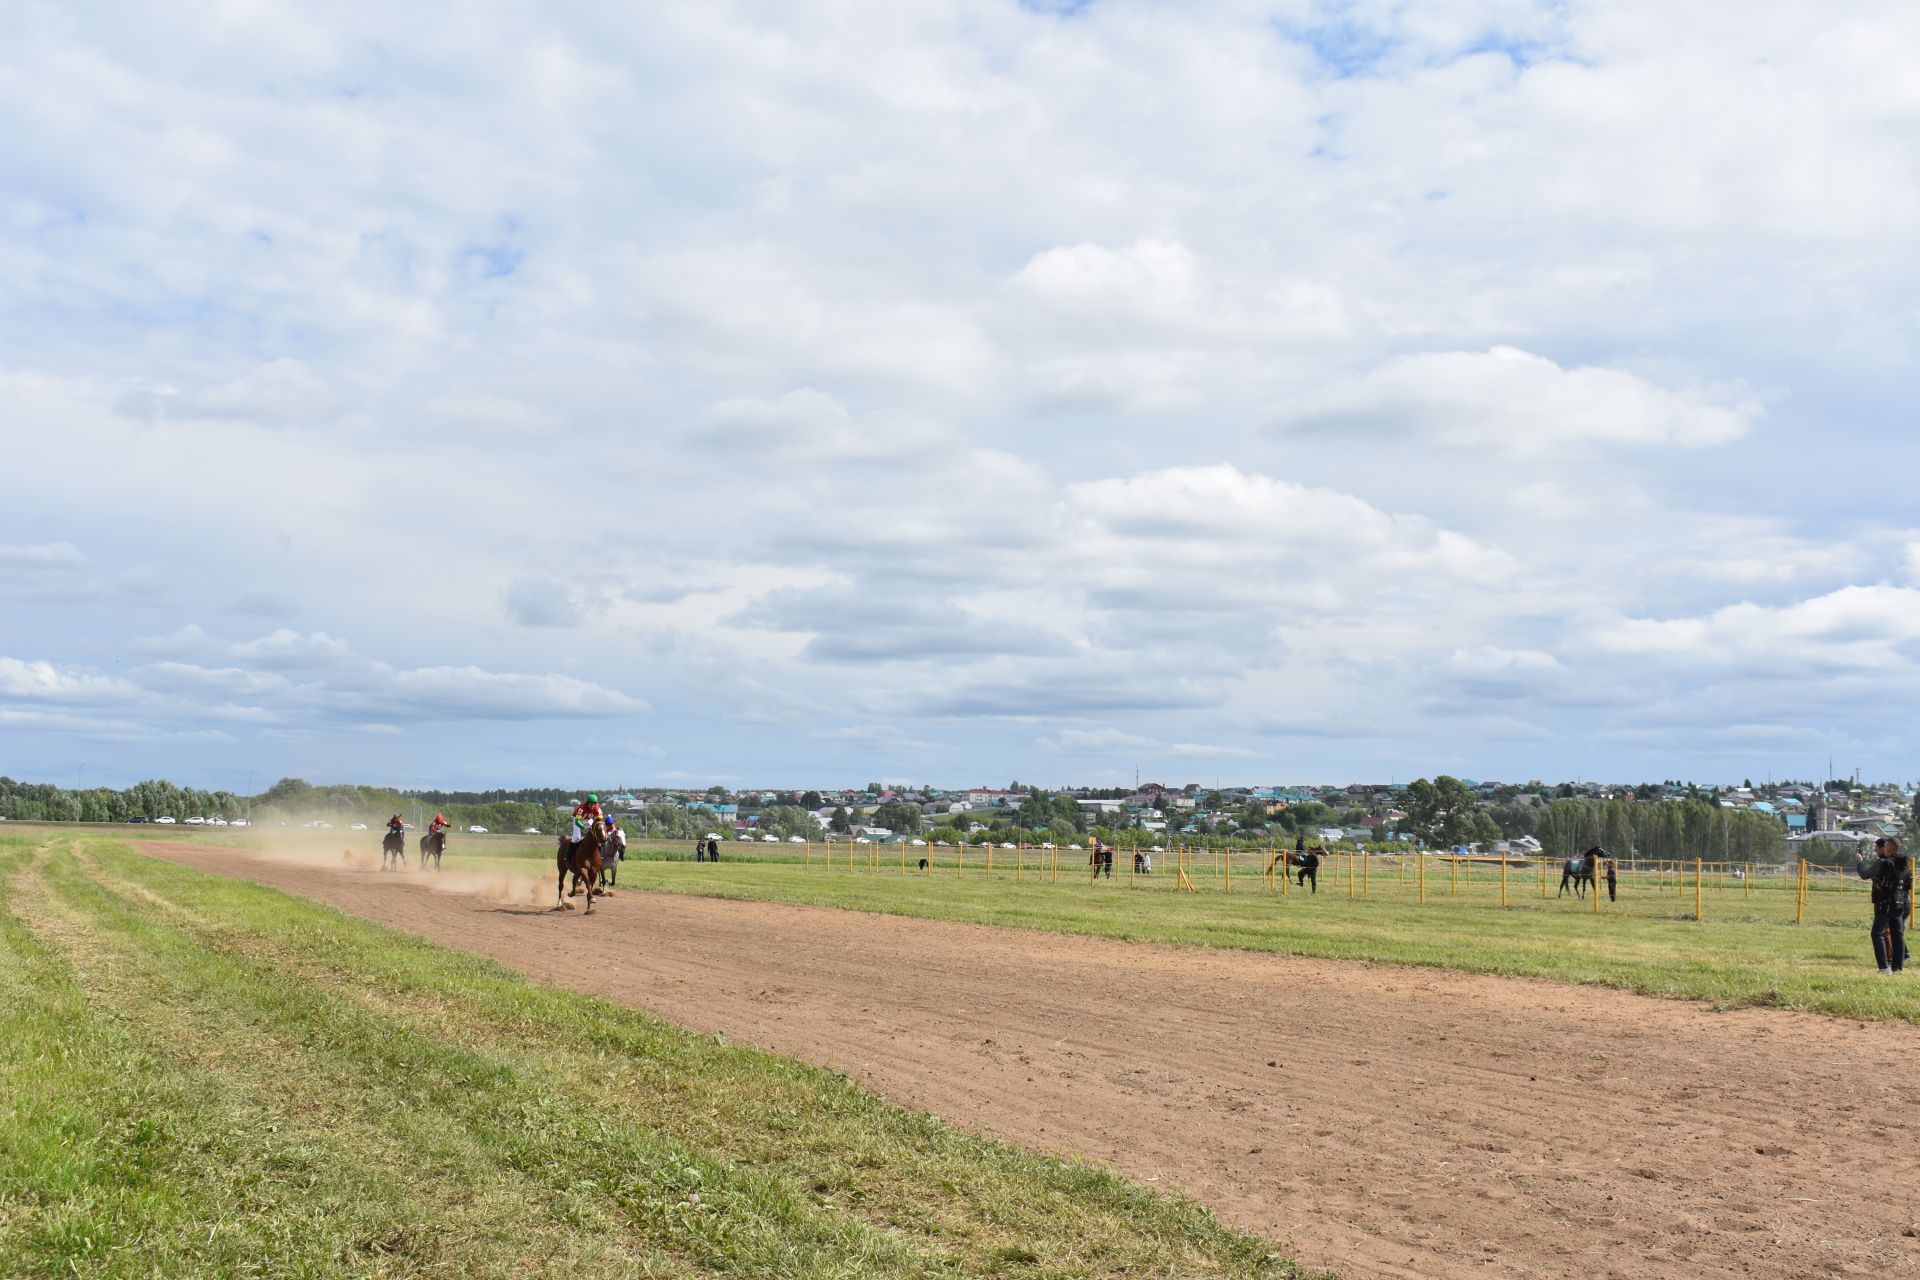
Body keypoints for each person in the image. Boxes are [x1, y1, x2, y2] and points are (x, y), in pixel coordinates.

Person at [1857, 836, 1911, 974]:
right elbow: (1908, 884)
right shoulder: (1904, 864)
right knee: (1897, 936)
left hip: (1885, 903)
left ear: (1887, 848)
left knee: (1877, 933)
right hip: (1899, 903)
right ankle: (1898, 968)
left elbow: (1865, 874)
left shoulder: (1884, 863)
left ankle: (1883, 967)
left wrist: (1859, 862)